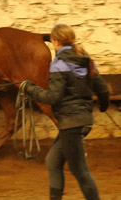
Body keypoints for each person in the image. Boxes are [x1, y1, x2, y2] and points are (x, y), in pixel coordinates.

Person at [23, 23, 110, 200]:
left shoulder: (59, 64)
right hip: (81, 121)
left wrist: (29, 88)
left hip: (71, 123)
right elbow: (103, 90)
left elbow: (52, 97)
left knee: (80, 171)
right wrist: (103, 106)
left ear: (55, 41)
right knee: (53, 162)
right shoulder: (86, 59)